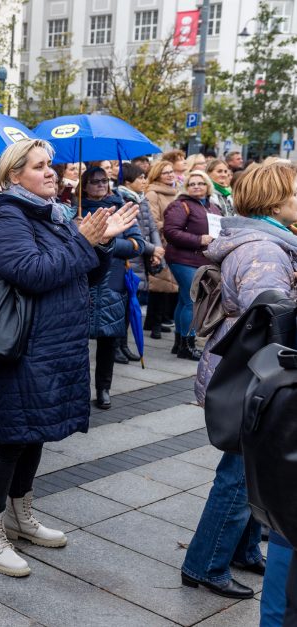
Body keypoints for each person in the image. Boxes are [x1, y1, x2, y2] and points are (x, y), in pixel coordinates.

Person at [0, 139, 136, 577]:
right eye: (39, 166)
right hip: (20, 347)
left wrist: (100, 245)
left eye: (51, 165)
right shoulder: (8, 215)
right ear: (12, 176)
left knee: (34, 432)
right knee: (9, 437)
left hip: (52, 344)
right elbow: (33, 273)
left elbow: (86, 270)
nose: (51, 172)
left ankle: (20, 515)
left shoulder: (53, 213)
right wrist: (83, 240)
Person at [183, 161, 297, 600]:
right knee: (236, 473)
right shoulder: (264, 250)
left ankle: (244, 549)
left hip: (250, 370)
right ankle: (204, 564)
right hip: (254, 374)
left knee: (253, 470)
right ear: (275, 197)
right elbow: (271, 319)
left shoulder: (266, 240)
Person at [80, 166, 147, 409]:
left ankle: (103, 389)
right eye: (94, 181)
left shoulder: (121, 208)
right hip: (83, 280)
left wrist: (106, 240)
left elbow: (137, 245)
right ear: (84, 185)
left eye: (104, 180)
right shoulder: (73, 210)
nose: (100, 184)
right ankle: (79, 389)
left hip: (113, 280)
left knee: (108, 339)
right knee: (77, 340)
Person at [162, 170, 222, 360]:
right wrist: (199, 239)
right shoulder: (180, 205)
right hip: (182, 259)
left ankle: (180, 343)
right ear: (186, 187)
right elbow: (170, 232)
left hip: (200, 260)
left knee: (184, 300)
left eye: (201, 183)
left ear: (207, 186)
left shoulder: (213, 207)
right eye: (192, 183)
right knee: (193, 301)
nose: (196, 186)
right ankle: (187, 345)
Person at [117, 163, 166, 335]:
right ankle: (118, 345)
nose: (144, 181)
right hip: (131, 256)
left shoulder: (141, 199)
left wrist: (157, 250)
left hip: (144, 255)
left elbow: (151, 227)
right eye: (140, 177)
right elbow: (128, 232)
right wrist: (152, 249)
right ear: (128, 181)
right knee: (125, 305)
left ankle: (123, 344)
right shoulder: (120, 199)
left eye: (145, 177)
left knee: (133, 306)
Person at [144, 159, 180, 344]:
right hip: (162, 241)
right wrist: (175, 227)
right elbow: (153, 220)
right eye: (165, 172)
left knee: (168, 285)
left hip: (174, 242)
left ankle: (158, 320)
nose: (170, 174)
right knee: (158, 284)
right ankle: (153, 324)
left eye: (171, 171)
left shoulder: (176, 192)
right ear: (157, 174)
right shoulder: (152, 193)